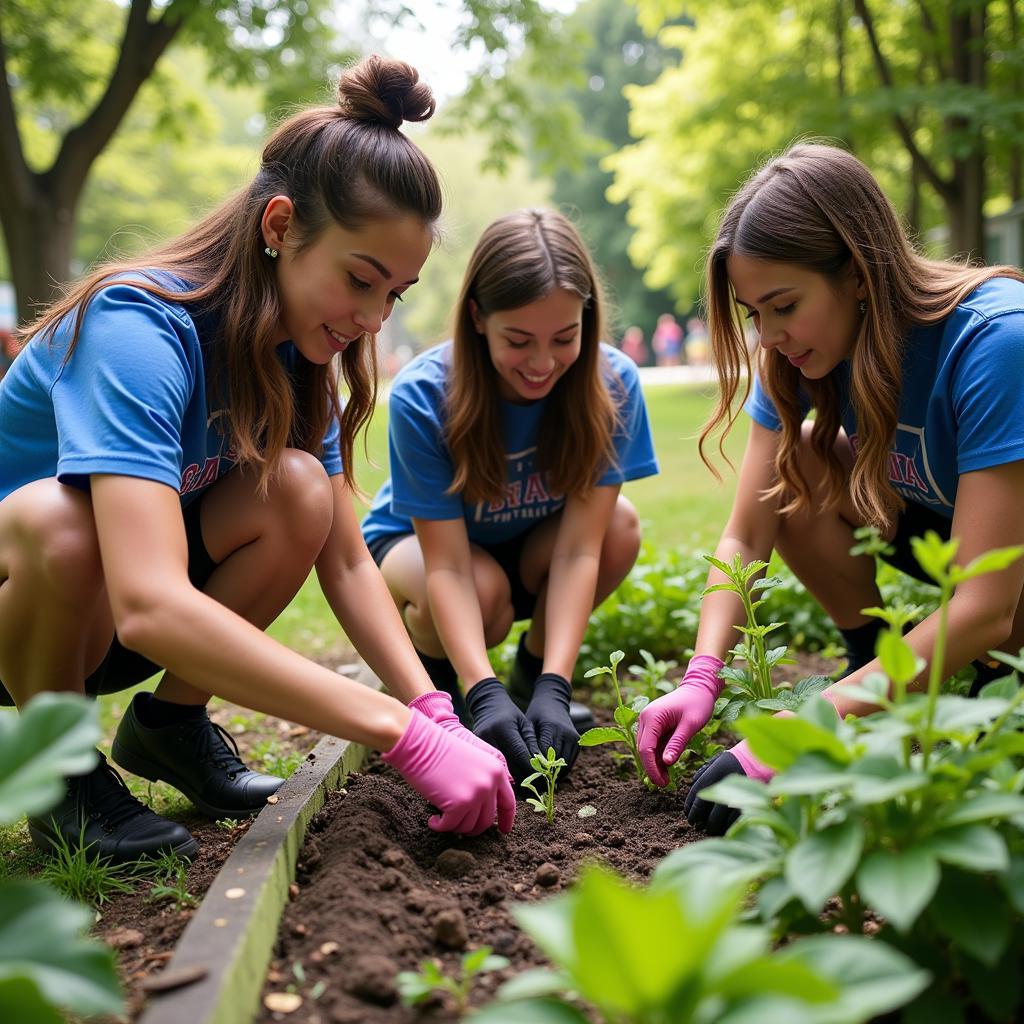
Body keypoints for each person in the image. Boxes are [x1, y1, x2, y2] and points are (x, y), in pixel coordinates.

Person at [0, 55, 516, 863]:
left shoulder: (290, 354)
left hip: (115, 622)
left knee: (302, 492)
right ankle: (60, 773)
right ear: (280, 228)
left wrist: (434, 710)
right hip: (36, 614)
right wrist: (396, 735)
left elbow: (345, 561)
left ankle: (169, 728)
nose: (375, 318)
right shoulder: (138, 328)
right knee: (58, 522)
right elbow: (150, 603)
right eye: (361, 280)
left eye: (396, 294)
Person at [636, 142, 1024, 835]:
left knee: (996, 652)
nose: (770, 336)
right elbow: (746, 531)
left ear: (858, 273)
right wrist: (701, 674)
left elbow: (986, 604)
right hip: (942, 532)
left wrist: (805, 728)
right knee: (796, 472)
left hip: (1004, 575)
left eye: (784, 305)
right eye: (755, 312)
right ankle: (874, 666)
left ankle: (921, 693)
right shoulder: (803, 353)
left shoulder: (995, 341)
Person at [361, 209, 659, 785]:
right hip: (421, 552)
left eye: (564, 338)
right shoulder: (425, 395)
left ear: (587, 319)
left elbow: (579, 550)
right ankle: (442, 686)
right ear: (478, 317)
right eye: (519, 340)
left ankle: (529, 679)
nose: (543, 363)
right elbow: (447, 564)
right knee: (483, 590)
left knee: (619, 526)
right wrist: (482, 693)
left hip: (528, 547)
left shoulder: (613, 384)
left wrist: (555, 683)